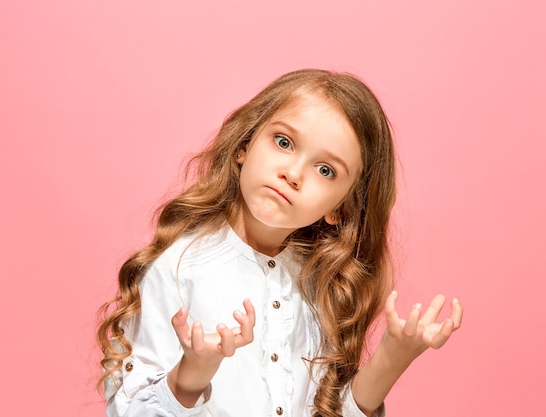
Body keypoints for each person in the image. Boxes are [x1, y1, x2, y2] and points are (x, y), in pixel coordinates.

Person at [97, 69, 463, 417]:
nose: (293, 173)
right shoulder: (178, 269)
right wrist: (191, 375)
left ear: (341, 208)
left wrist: (392, 357)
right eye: (284, 142)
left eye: (325, 170)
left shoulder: (320, 288)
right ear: (244, 146)